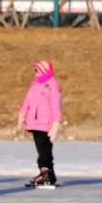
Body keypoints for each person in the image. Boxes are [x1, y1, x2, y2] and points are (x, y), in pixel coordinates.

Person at [18, 59, 64, 189]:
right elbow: (27, 102)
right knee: (42, 151)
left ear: (44, 70)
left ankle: (46, 175)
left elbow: (56, 106)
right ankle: (49, 175)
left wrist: (56, 123)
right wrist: (22, 115)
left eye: (37, 71)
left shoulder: (52, 85)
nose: (35, 73)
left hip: (46, 125)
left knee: (44, 152)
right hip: (34, 123)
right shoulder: (35, 85)